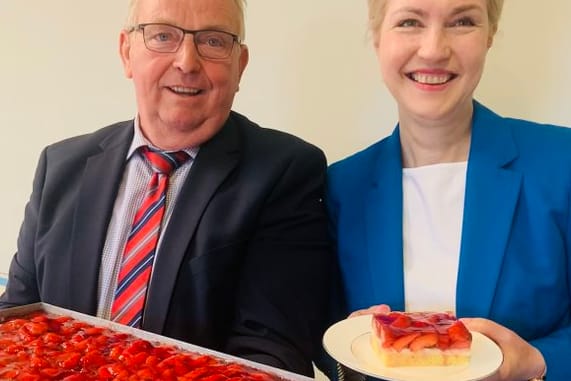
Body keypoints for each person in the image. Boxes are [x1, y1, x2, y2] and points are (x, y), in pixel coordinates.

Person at [0, 0, 334, 376]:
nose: (187, 62)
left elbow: (272, 353)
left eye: (212, 41)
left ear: (240, 66)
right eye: (162, 36)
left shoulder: (284, 171)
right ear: (127, 52)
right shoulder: (60, 166)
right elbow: (18, 320)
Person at [321, 0, 571, 380]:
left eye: (463, 21)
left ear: (489, 35)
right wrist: (354, 360)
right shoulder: (341, 186)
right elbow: (326, 342)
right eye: (409, 22)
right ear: (377, 37)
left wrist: (538, 361)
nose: (434, 49)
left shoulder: (560, 163)